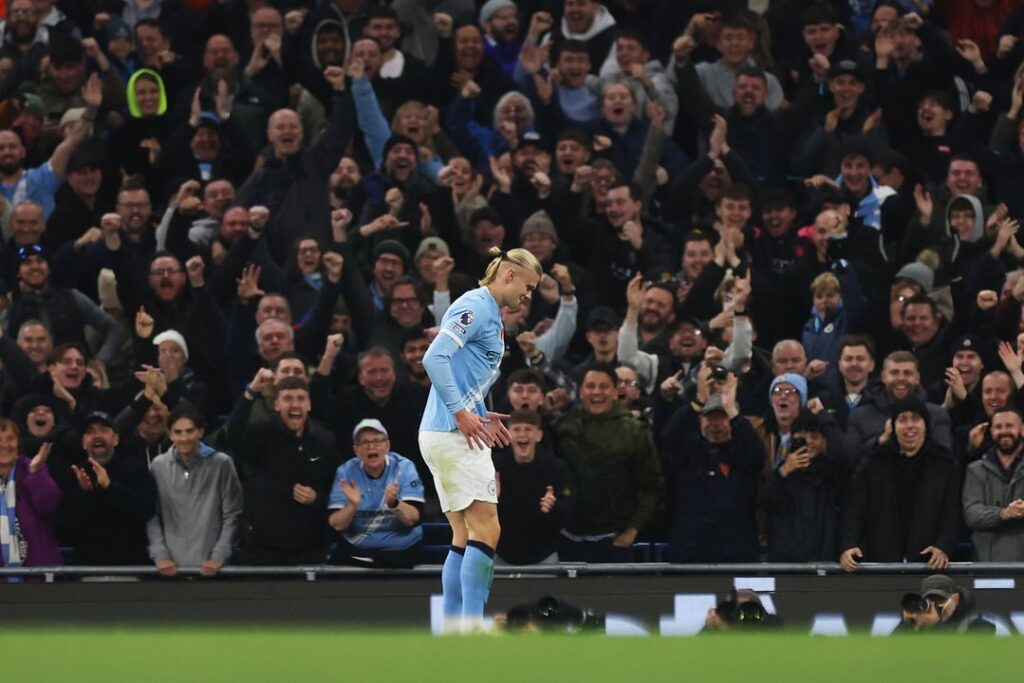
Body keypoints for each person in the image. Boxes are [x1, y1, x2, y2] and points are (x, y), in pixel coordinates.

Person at [419, 246, 541, 633]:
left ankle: (454, 629)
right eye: (528, 286)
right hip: (451, 431)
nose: (528, 296)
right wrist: (460, 412)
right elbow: (434, 358)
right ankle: (471, 628)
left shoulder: (488, 312)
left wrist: (478, 409)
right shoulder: (474, 305)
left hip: (443, 430)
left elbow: (461, 367)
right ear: (509, 275)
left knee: (463, 534)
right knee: (488, 531)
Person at [226, 373, 339, 565]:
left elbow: (336, 493)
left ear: (309, 405)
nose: (295, 404)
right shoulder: (261, 433)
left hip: (309, 548)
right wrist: (251, 391)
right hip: (263, 547)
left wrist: (316, 499)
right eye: (288, 399)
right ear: (276, 405)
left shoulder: (325, 441)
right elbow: (233, 436)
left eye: (301, 398)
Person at [839, 398, 961, 572]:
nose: (909, 425)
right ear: (893, 426)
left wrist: (944, 546)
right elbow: (853, 509)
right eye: (902, 419)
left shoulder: (945, 463)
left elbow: (952, 511)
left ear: (926, 424)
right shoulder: (873, 462)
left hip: (929, 564)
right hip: (880, 563)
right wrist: (848, 545)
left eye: (915, 418)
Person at [147, 405, 243, 577]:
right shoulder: (158, 466)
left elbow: (233, 515)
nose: (184, 438)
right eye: (178, 432)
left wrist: (218, 557)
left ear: (200, 432)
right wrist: (160, 555)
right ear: (170, 434)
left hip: (214, 570)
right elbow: (152, 515)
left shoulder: (222, 463)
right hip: (169, 570)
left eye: (189, 431)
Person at [327, 418, 424, 568]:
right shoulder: (345, 472)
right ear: (356, 450)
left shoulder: (404, 468)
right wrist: (352, 506)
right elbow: (336, 525)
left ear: (387, 446)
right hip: (358, 552)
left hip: (402, 551)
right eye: (365, 443)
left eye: (377, 441)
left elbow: (413, 519)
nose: (371, 447)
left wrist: (394, 504)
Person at [492, 409, 573, 565]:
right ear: (508, 434)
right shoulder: (493, 466)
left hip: (543, 557)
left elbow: (567, 517)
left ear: (539, 435)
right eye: (516, 429)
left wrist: (553, 508)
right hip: (501, 555)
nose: (523, 434)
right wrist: (492, 499)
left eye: (528, 429)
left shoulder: (556, 468)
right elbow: (478, 517)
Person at [0, 418, 61, 574]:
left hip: (35, 576)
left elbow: (49, 506)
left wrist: (35, 474)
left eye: (10, 439)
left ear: (18, 443)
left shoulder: (31, 469)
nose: (4, 445)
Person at [962, 408, 1024, 561]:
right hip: (986, 563)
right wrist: (1004, 514)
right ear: (991, 431)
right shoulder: (975, 470)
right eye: (998, 427)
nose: (1004, 431)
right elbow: (971, 514)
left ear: (1022, 429)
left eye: (1009, 426)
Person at [899, 575, 996, 634]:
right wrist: (908, 623)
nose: (935, 606)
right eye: (930, 600)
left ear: (956, 599)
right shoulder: (919, 619)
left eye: (940, 600)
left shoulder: (976, 624)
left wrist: (935, 624)